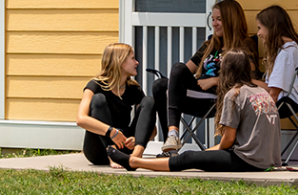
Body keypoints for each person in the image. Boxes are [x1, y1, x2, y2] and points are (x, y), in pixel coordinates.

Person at [108, 50, 281, 172]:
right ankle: (138, 160)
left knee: (188, 158)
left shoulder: (234, 94)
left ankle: (134, 162)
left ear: (226, 71)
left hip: (248, 160)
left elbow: (228, 140)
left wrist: (203, 155)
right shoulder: (261, 93)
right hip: (269, 160)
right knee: (197, 156)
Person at [153, 0, 259, 153]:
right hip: (197, 92)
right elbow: (185, 70)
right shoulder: (210, 44)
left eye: (219, 20)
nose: (214, 24)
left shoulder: (245, 46)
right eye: (213, 19)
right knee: (161, 85)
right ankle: (171, 138)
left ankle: (172, 139)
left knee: (171, 78)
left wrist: (215, 80)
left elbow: (247, 80)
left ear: (231, 20)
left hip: (216, 97)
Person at [76, 43, 157, 168]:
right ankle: (112, 155)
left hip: (124, 146)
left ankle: (136, 157)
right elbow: (81, 119)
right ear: (121, 62)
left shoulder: (133, 88)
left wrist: (136, 139)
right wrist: (111, 132)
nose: (137, 63)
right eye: (132, 59)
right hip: (98, 149)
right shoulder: (96, 86)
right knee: (98, 99)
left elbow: (152, 129)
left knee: (149, 101)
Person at [255, 5, 298, 117]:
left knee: (238, 101)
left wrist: (245, 81)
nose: (258, 33)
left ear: (271, 27)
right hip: (288, 99)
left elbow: (273, 94)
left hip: (285, 103)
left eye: (259, 28)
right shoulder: (289, 48)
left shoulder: (286, 53)